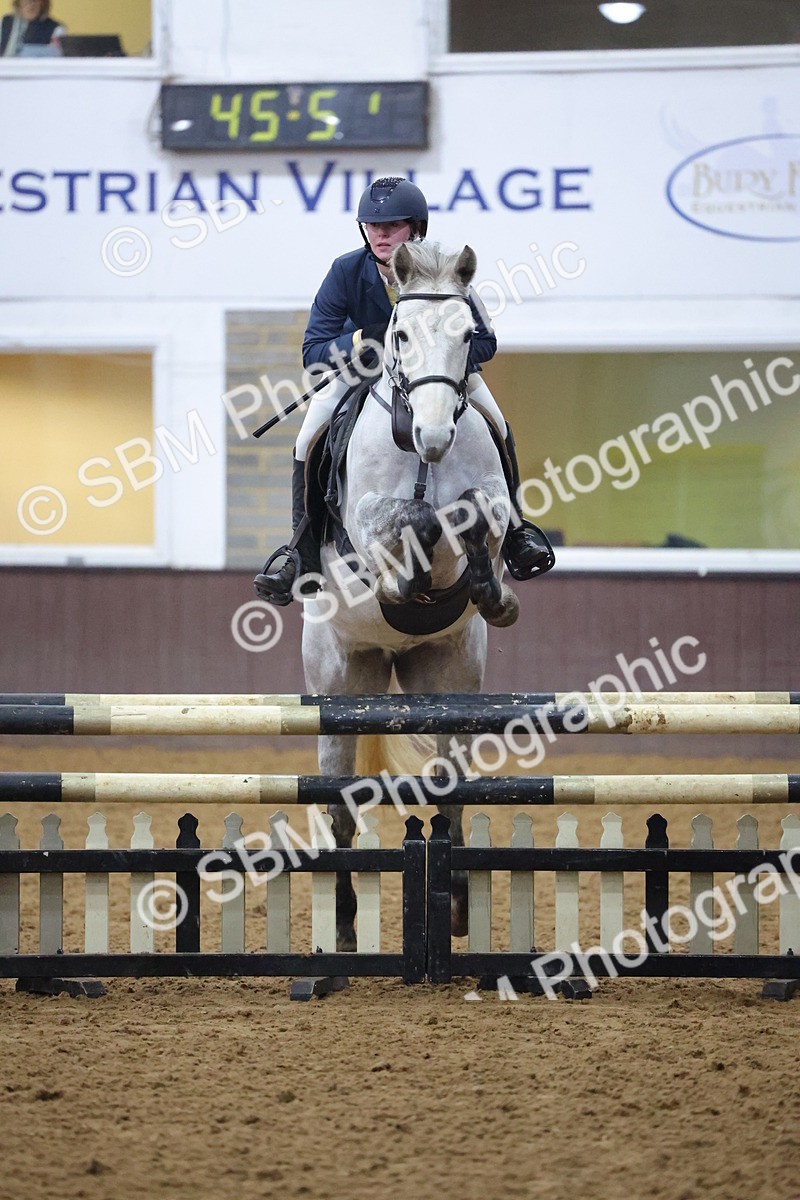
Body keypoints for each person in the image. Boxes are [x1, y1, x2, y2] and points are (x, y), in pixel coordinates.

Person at [254, 176, 553, 606]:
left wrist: (439, 359)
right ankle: (301, 553)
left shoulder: (447, 271)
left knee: (498, 424)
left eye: (391, 226)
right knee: (307, 439)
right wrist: (363, 339)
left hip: (440, 376)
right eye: (373, 226)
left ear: (416, 229)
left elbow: (485, 341)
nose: (380, 235)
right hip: (360, 377)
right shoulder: (346, 271)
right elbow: (314, 351)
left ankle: (518, 532)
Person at [1, 0, 65, 55]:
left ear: (43, 3)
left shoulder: (55, 29)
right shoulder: (5, 22)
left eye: (35, 0)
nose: (31, 4)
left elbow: (55, 58)